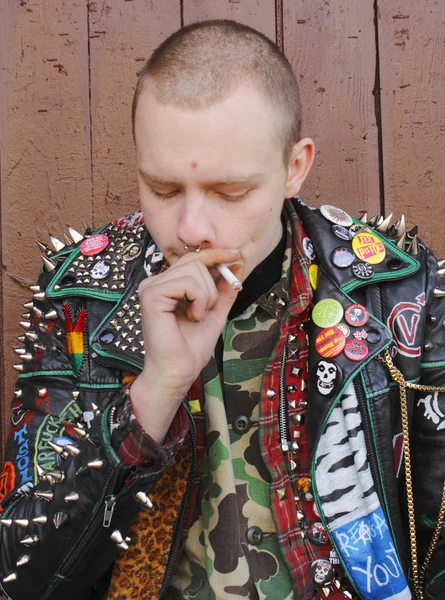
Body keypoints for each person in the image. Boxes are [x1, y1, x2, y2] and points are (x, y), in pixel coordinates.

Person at [0, 18, 445, 600]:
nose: (189, 230)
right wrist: (156, 389)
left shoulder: (395, 288)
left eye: (230, 193)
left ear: (295, 167)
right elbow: (25, 579)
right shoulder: (81, 294)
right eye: (161, 190)